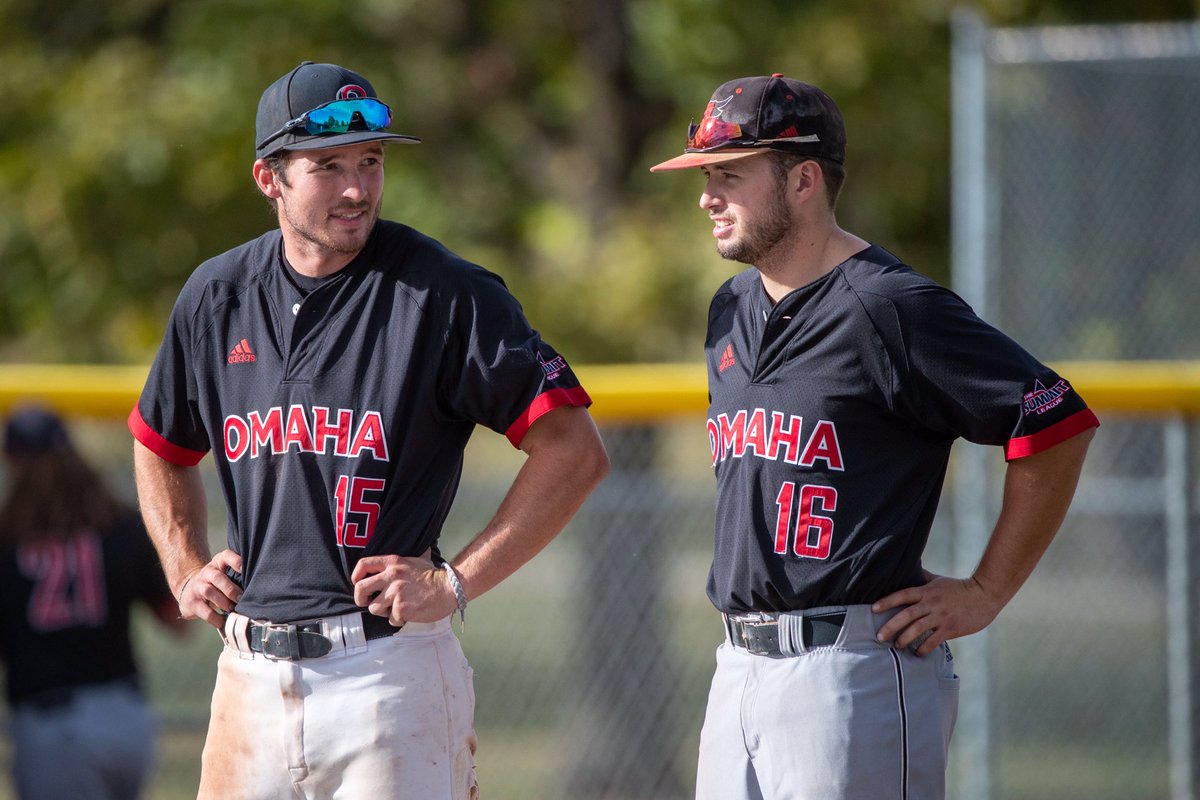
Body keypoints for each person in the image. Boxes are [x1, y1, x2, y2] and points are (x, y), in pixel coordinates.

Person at [128, 61, 608, 799]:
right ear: (270, 179)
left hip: (387, 673)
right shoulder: (216, 296)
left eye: (371, 161)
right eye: (327, 166)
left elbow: (573, 449)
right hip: (249, 670)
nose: (357, 188)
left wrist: (457, 581)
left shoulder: (443, 292)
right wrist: (183, 564)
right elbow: (159, 446)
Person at [651, 74, 1098, 800]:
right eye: (707, 176)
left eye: (730, 175)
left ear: (802, 180)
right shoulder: (730, 308)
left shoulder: (890, 306)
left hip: (848, 671)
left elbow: (1055, 421)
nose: (708, 196)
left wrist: (986, 591)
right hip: (736, 667)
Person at [0, 405, 185, 800]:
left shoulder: (7, 541)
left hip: (52, 726)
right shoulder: (118, 524)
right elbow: (176, 620)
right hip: (127, 719)